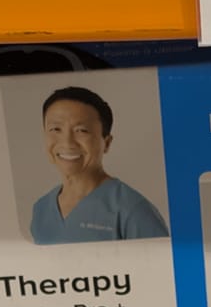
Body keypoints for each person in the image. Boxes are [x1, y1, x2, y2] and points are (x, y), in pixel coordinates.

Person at [28, 86, 170, 242]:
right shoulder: (41, 209)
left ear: (106, 143)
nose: (67, 142)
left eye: (81, 130)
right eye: (56, 129)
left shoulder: (132, 210)